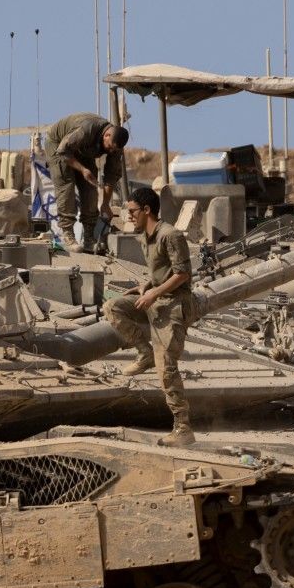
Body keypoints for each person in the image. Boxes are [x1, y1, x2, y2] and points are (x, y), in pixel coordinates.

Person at [103, 187, 195, 447]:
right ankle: (144, 352)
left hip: (175, 305)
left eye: (131, 211)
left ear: (146, 210)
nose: (128, 216)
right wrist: (146, 286)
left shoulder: (171, 235)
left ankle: (183, 428)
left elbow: (182, 274)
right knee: (113, 307)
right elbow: (161, 273)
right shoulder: (145, 236)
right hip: (155, 298)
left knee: (166, 367)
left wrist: (154, 292)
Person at [45, 112, 129, 252]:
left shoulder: (116, 146)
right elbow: (63, 151)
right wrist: (83, 170)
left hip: (83, 150)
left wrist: (105, 204)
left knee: (90, 189)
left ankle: (89, 238)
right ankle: (68, 235)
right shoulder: (86, 129)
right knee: (66, 185)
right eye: (109, 147)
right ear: (106, 136)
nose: (110, 150)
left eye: (114, 149)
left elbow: (111, 176)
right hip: (58, 146)